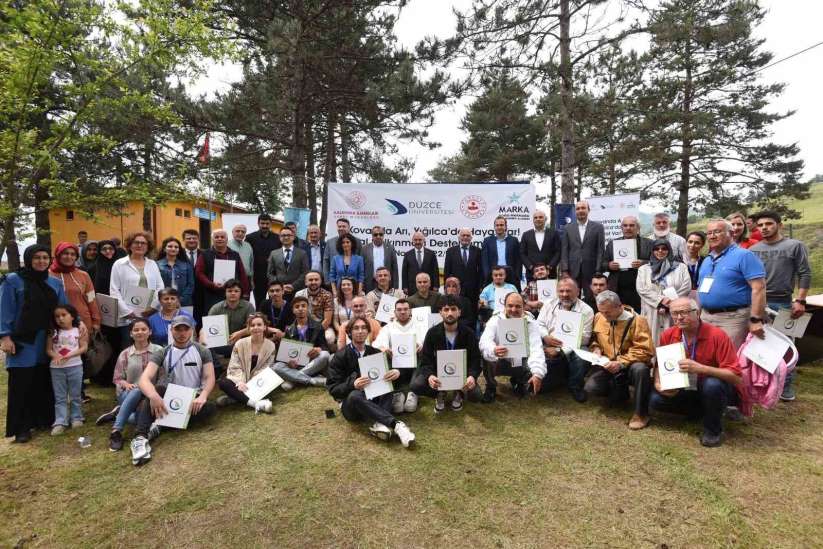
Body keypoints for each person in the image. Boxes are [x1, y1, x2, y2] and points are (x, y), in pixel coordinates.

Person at [650, 298, 744, 447]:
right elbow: (660, 365)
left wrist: (701, 368)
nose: (679, 317)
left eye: (684, 312)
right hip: (684, 387)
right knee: (655, 400)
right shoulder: (668, 335)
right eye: (674, 313)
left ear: (698, 313)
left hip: (712, 387)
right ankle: (703, 411)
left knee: (712, 385)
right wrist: (658, 382)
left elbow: (736, 377)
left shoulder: (717, 336)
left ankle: (713, 431)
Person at [1, 245, 67, 443]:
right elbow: (4, 309)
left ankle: (43, 419)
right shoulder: (13, 280)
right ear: (29, 259)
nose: (41, 261)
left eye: (45, 257)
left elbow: (64, 309)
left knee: (43, 379)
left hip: (47, 339)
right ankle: (22, 427)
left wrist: (77, 323)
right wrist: (4, 337)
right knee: (22, 382)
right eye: (37, 257)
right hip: (23, 340)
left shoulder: (54, 283)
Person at [129, 315, 217, 466]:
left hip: (192, 398)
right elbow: (144, 379)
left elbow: (210, 377)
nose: (182, 333)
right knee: (157, 390)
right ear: (171, 330)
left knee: (210, 409)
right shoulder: (163, 352)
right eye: (178, 329)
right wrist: (154, 396)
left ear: (192, 330)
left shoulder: (202, 351)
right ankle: (140, 438)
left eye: (186, 329)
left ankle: (160, 425)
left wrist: (203, 396)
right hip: (168, 397)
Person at [749, 211, 812, 401]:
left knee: (785, 346)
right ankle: (761, 384)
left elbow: (804, 273)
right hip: (758, 302)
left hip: (783, 302)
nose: (764, 228)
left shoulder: (794, 246)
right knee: (757, 343)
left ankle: (785, 387)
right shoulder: (753, 250)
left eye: (769, 224)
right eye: (760, 225)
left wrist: (800, 300)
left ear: (780, 225)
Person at [326, 317, 416, 448]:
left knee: (387, 384)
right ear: (349, 332)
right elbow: (333, 389)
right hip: (352, 406)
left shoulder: (376, 352)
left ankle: (380, 424)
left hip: (374, 400)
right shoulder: (340, 356)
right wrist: (352, 385)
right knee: (355, 395)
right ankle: (396, 425)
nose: (360, 331)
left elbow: (388, 376)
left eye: (364, 328)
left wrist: (396, 373)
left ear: (368, 331)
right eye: (356, 328)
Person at [585, 291, 654, 430]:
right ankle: (620, 394)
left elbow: (645, 350)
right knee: (591, 387)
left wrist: (621, 362)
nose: (604, 316)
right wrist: (596, 349)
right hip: (607, 364)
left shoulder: (638, 320)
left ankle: (641, 414)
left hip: (630, 364)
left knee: (641, 370)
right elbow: (594, 339)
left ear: (620, 306)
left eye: (608, 312)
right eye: (601, 311)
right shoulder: (599, 317)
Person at [697, 219, 766, 349]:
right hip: (705, 317)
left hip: (732, 319)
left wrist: (756, 319)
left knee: (729, 356)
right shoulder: (707, 260)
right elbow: (701, 289)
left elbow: (759, 288)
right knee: (708, 355)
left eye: (717, 232)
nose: (712, 236)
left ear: (731, 233)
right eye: (709, 233)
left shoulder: (744, 255)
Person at [96, 319, 163, 451]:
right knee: (138, 389)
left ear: (150, 332)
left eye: (143, 329)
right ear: (131, 334)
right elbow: (117, 378)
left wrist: (155, 391)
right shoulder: (125, 354)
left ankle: (119, 412)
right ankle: (116, 431)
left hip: (151, 395)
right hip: (129, 393)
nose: (140, 332)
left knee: (139, 419)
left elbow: (164, 375)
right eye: (136, 330)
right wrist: (125, 383)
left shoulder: (159, 350)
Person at [412, 295, 483, 412]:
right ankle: (439, 393)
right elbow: (426, 359)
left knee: (476, 395)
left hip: (462, 374)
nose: (450, 313)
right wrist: (430, 376)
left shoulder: (469, 333)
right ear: (440, 312)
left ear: (459, 312)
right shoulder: (432, 333)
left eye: (453, 309)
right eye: (446, 309)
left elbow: (475, 359)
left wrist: (472, 376)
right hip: (439, 374)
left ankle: (459, 392)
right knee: (416, 386)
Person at [478, 292, 545, 403]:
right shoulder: (495, 320)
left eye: (518, 306)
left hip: (521, 361)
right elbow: (485, 341)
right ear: (504, 306)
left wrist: (538, 373)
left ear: (524, 307)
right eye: (510, 306)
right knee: (486, 355)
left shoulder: (531, 323)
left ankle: (519, 382)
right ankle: (491, 386)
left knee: (535, 365)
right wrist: (493, 349)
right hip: (500, 360)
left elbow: (536, 348)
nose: (513, 309)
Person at [536, 277, 594, 402]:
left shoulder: (587, 310)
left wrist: (560, 349)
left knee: (583, 356)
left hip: (574, 345)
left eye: (568, 291)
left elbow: (584, 338)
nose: (564, 294)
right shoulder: (548, 304)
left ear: (577, 291)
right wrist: (545, 336)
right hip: (549, 342)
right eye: (561, 291)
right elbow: (539, 324)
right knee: (544, 384)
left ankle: (575, 385)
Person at [109, 231, 164, 348]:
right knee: (130, 349)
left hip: (150, 315)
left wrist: (153, 307)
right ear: (130, 245)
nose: (140, 245)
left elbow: (160, 287)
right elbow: (114, 290)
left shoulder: (152, 264)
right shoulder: (119, 264)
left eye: (143, 243)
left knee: (151, 348)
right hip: (128, 317)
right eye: (136, 242)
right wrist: (127, 312)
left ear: (148, 247)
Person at [216, 313, 276, 413]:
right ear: (248, 328)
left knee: (272, 378)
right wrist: (240, 382)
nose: (256, 327)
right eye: (252, 325)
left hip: (258, 381)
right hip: (240, 379)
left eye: (259, 324)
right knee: (223, 383)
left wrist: (252, 383)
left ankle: (234, 398)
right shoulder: (240, 343)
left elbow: (267, 367)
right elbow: (234, 366)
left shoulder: (271, 345)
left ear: (265, 327)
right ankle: (256, 403)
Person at [636, 239, 692, 344]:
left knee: (673, 341)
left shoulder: (681, 267)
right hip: (652, 311)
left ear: (669, 250)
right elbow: (641, 289)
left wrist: (670, 303)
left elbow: (686, 287)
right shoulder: (644, 269)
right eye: (656, 249)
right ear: (652, 251)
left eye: (664, 248)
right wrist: (661, 300)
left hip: (674, 311)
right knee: (652, 341)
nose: (660, 251)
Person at [46, 304, 88, 435]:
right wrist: (56, 356)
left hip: (75, 366)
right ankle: (60, 421)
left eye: (64, 315)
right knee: (60, 396)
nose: (60, 318)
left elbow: (84, 347)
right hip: (57, 369)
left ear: (72, 316)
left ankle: (76, 417)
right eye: (57, 316)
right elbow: (48, 349)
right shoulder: (53, 332)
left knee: (75, 394)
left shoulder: (78, 330)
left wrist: (69, 355)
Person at [372, 299, 420, 413]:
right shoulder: (388, 327)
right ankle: (398, 394)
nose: (402, 312)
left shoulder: (419, 326)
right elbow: (377, 344)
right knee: (383, 357)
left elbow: (424, 341)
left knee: (423, 356)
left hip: (415, 361)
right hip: (395, 363)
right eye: (399, 309)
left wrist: (420, 346)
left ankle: (413, 393)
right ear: (394, 312)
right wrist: (384, 348)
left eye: (405, 309)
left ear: (410, 311)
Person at [274, 296, 331, 389]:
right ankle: (312, 380)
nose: (300, 309)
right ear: (293, 310)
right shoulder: (289, 330)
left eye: (303, 306)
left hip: (312, 362)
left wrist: (319, 349)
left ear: (308, 308)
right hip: (296, 364)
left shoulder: (318, 326)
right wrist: (289, 361)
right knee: (276, 366)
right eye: (297, 307)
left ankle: (293, 380)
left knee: (325, 355)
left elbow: (325, 347)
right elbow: (284, 354)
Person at [49, 242, 101, 339]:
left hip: (83, 323)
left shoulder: (83, 275)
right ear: (58, 255)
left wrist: (96, 321)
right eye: (65, 253)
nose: (69, 257)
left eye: (73, 254)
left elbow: (91, 299)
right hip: (58, 323)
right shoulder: (48, 275)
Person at [601, 215, 653, 313]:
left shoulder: (649, 243)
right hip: (618, 287)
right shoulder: (612, 244)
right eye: (625, 225)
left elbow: (657, 262)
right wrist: (609, 265)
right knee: (620, 315)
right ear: (621, 228)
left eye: (632, 225)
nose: (628, 228)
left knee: (640, 315)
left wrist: (644, 263)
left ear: (638, 228)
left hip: (641, 288)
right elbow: (602, 264)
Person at [195, 229, 250, 314]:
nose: (219, 239)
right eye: (216, 237)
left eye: (222, 237)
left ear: (227, 240)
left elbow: (242, 273)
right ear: (212, 240)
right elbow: (199, 273)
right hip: (212, 293)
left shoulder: (234, 254)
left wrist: (245, 292)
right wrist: (211, 284)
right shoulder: (205, 254)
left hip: (232, 292)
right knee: (215, 317)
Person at [560, 200, 606, 296]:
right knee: (572, 297)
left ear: (588, 210)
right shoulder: (567, 228)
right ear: (575, 211)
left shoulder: (598, 227)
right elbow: (564, 250)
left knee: (591, 298)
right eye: (578, 209)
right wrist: (564, 270)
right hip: (572, 271)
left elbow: (600, 250)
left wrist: (598, 270)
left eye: (583, 208)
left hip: (592, 270)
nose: (580, 210)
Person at [204, 280, 256, 357]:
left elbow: (254, 327)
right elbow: (207, 328)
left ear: (241, 293)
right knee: (205, 345)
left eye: (236, 291)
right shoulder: (216, 308)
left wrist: (240, 333)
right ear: (225, 293)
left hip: (242, 341)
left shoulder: (248, 307)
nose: (233, 293)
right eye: (229, 291)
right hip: (221, 343)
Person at [245, 214, 282, 306]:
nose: (265, 226)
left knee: (275, 301)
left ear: (271, 224)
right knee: (259, 303)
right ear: (258, 223)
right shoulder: (250, 238)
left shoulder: (278, 238)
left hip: (274, 276)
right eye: (262, 223)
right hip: (257, 277)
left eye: (267, 223)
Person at [444, 228, 482, 315]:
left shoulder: (477, 251)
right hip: (455, 290)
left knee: (472, 314)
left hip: (473, 290)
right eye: (463, 235)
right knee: (455, 312)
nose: (465, 237)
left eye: (468, 235)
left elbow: (480, 271)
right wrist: (447, 288)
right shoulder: (450, 251)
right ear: (459, 237)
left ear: (471, 238)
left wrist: (480, 287)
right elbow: (447, 271)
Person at [294, 271, 335, 348]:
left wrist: (314, 334)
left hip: (321, 327)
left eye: (316, 280)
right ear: (305, 282)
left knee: (329, 337)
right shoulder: (299, 294)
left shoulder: (327, 295)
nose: (313, 282)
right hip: (303, 324)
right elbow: (297, 315)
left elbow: (327, 321)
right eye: (310, 280)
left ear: (320, 281)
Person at [481, 216, 522, 291]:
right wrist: (487, 275)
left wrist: (517, 276)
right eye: (497, 225)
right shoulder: (487, 241)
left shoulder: (514, 240)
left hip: (510, 275)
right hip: (494, 275)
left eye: (501, 225)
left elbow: (518, 260)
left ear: (506, 226)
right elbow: (484, 261)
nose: (499, 227)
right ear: (494, 227)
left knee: (511, 296)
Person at [267, 226, 309, 297]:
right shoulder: (273, 253)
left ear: (293, 237)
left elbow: (305, 272)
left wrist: (293, 286)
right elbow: (270, 273)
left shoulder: (302, 253)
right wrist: (280, 286)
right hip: (279, 292)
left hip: (297, 291)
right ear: (280, 237)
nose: (286, 237)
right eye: (283, 235)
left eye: (289, 235)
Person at [520, 209, 561, 280]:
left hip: (550, 273)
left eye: (540, 217)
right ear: (533, 220)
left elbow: (558, 251)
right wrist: (530, 267)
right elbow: (522, 253)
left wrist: (550, 266)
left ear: (545, 219)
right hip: (532, 274)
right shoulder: (526, 235)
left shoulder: (554, 233)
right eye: (535, 218)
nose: (538, 219)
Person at [157, 236, 195, 307]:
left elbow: (191, 285)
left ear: (179, 250)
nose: (173, 249)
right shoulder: (156, 265)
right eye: (170, 246)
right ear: (164, 249)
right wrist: (166, 300)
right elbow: (156, 285)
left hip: (184, 303)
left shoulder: (187, 265)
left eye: (176, 247)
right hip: (163, 303)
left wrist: (179, 300)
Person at [361, 225, 399, 294]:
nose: (378, 236)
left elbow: (394, 268)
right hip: (370, 283)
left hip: (386, 283)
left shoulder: (390, 248)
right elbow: (362, 269)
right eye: (375, 234)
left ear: (383, 235)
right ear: (372, 236)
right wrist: (362, 287)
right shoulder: (365, 249)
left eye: (380, 234)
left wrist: (395, 286)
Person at [401, 231, 439, 295]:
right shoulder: (407, 254)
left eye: (420, 240)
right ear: (413, 241)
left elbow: (435, 271)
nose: (418, 242)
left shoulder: (431, 254)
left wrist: (436, 285)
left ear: (424, 240)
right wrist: (404, 286)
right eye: (415, 240)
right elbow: (404, 272)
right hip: (412, 288)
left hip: (428, 287)